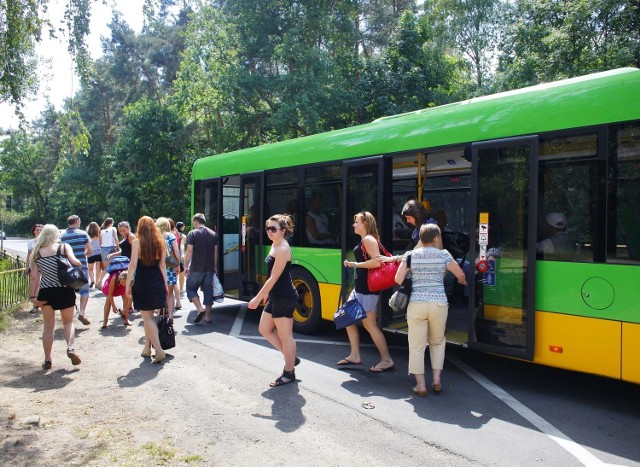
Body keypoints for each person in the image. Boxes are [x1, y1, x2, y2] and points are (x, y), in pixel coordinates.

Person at [394, 223, 466, 396]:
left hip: (417, 304)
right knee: (437, 342)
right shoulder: (444, 254)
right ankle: (436, 381)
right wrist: (463, 282)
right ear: (436, 238)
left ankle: (420, 385)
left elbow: (398, 278)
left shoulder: (410, 255)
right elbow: (460, 274)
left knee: (417, 345)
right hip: (438, 304)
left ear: (420, 238)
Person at [248, 214, 300, 387]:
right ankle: (290, 356)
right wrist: (267, 294)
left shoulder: (283, 249)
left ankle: (289, 372)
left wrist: (257, 297)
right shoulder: (275, 244)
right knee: (264, 329)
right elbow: (272, 277)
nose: (269, 232)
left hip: (284, 297)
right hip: (276, 295)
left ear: (283, 231)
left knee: (286, 336)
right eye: (267, 228)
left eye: (273, 229)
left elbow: (273, 278)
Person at [338, 211, 394, 373]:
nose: (354, 224)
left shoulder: (368, 239)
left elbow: (377, 262)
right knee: (347, 317)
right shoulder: (366, 239)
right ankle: (355, 355)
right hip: (361, 288)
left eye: (357, 222)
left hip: (367, 290)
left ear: (365, 224)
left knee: (370, 325)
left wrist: (355, 264)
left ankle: (386, 360)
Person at [29, 224, 83, 369]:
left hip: (46, 292)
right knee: (68, 323)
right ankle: (70, 348)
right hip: (64, 290)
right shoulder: (64, 247)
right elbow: (75, 262)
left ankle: (47, 359)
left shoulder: (36, 253)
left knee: (48, 327)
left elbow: (34, 277)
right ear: (56, 235)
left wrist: (32, 297)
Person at [125, 216, 169, 363]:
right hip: (157, 280)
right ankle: (146, 348)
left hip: (143, 282)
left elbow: (132, 265)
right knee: (148, 318)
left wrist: (127, 284)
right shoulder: (160, 242)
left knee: (147, 317)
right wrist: (165, 285)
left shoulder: (137, 242)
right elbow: (162, 266)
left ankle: (158, 349)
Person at [183, 213, 219, 324]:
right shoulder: (213, 234)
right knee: (208, 291)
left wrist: (185, 266)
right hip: (209, 268)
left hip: (196, 268)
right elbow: (215, 252)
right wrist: (214, 266)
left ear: (196, 222)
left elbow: (189, 252)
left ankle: (199, 308)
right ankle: (208, 317)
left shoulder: (192, 234)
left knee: (190, 288)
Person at [61, 215, 92, 325]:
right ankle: (82, 312)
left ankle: (70, 314)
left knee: (70, 291)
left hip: (67, 268)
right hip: (81, 267)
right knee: (84, 290)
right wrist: (83, 254)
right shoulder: (83, 233)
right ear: (77, 221)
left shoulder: (62, 236)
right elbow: (90, 250)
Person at [156, 217, 180, 319]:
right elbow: (176, 251)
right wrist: (177, 264)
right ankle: (170, 315)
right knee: (170, 293)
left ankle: (160, 313)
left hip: (157, 268)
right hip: (169, 267)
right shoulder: (170, 236)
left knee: (159, 292)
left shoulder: (155, 236)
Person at [26, 223, 43, 313]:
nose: (39, 232)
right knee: (34, 282)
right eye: (37, 230)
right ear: (34, 231)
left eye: (41, 230)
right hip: (33, 265)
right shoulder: (31, 242)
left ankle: (38, 302)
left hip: (43, 265)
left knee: (40, 284)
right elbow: (29, 255)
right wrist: (27, 266)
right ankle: (34, 303)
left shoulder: (45, 242)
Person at [98, 218, 120, 287]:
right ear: (111, 223)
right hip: (111, 248)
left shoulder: (101, 231)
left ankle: (100, 281)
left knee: (107, 267)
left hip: (103, 249)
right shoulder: (113, 229)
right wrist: (118, 247)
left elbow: (100, 242)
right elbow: (116, 239)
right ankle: (113, 282)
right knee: (114, 266)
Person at [168, 218, 183, 310]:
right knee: (174, 282)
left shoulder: (169, 234)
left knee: (171, 283)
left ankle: (174, 303)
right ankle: (178, 302)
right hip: (175, 259)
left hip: (170, 259)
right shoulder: (176, 233)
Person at [86, 222, 102, 289]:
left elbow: (86, 246)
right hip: (99, 253)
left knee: (90, 269)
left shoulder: (87, 235)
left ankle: (92, 279)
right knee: (98, 269)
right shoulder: (99, 234)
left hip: (90, 254)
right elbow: (101, 243)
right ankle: (97, 282)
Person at [175, 221, 187, 295]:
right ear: (181, 227)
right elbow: (182, 246)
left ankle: (173, 287)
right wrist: (182, 254)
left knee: (174, 273)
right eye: (183, 226)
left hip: (172, 256)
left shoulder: (173, 234)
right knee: (181, 271)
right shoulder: (182, 236)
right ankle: (181, 288)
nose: (184, 227)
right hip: (179, 255)